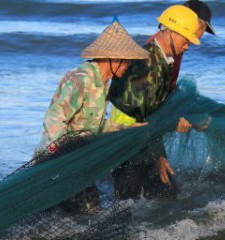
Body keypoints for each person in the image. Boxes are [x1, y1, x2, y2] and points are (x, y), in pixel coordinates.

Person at [40, 18, 149, 212]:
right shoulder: (81, 80)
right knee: (82, 210)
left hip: (79, 161)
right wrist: (63, 154)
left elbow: (94, 125)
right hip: (56, 163)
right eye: (127, 62)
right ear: (113, 58)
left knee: (90, 209)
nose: (129, 66)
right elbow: (54, 118)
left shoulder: (102, 83)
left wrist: (126, 128)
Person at [108, 4, 212, 199]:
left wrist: (189, 116)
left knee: (163, 197)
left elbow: (158, 104)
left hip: (142, 139)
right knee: (126, 204)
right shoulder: (147, 64)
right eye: (186, 39)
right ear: (171, 32)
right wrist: (160, 155)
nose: (187, 46)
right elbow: (143, 117)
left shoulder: (163, 60)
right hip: (127, 141)